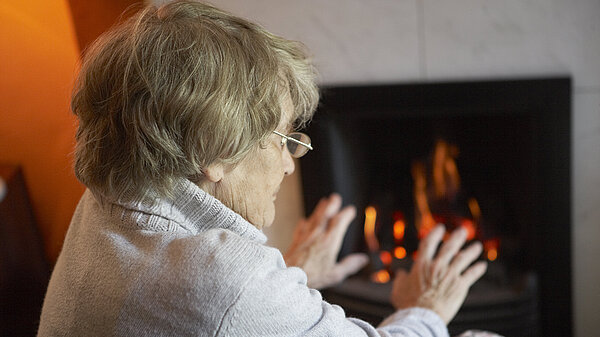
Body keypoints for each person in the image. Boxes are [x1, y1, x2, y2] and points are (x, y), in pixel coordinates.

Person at [37, 1, 487, 336]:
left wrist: (293, 276)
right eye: (285, 141)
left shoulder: (107, 200)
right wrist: (425, 306)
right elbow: (221, 297)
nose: (292, 166)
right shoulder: (225, 278)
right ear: (213, 153)